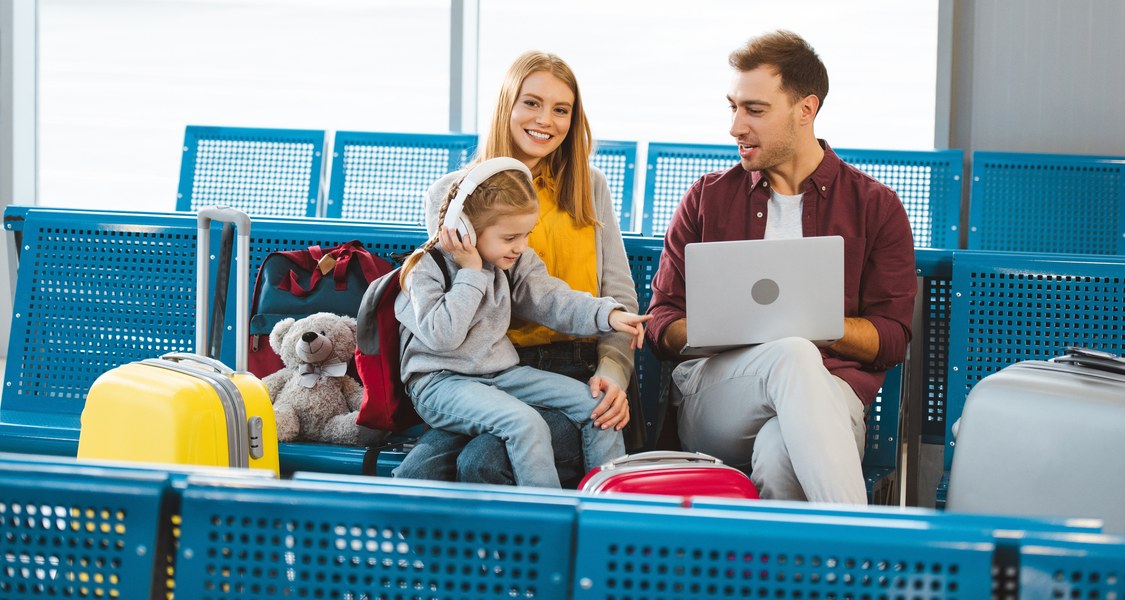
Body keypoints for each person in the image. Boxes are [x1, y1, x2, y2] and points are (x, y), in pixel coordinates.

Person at [645, 30, 917, 505]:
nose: (734, 126)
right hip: (717, 397)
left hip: (830, 401)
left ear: (805, 110)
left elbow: (891, 339)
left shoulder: (877, 206)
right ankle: (866, 545)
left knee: (777, 449)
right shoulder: (707, 198)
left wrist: (822, 327)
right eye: (732, 106)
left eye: (754, 110)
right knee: (791, 352)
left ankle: (795, 578)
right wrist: (726, 327)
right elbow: (661, 323)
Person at [394, 50, 641, 486]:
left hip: (576, 366)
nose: (545, 119)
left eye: (561, 109)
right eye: (531, 102)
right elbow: (447, 308)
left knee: (483, 462)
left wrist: (613, 369)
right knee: (421, 471)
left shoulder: (589, 186)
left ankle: (578, 539)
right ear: (507, 104)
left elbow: (580, 292)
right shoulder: (454, 198)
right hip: (487, 365)